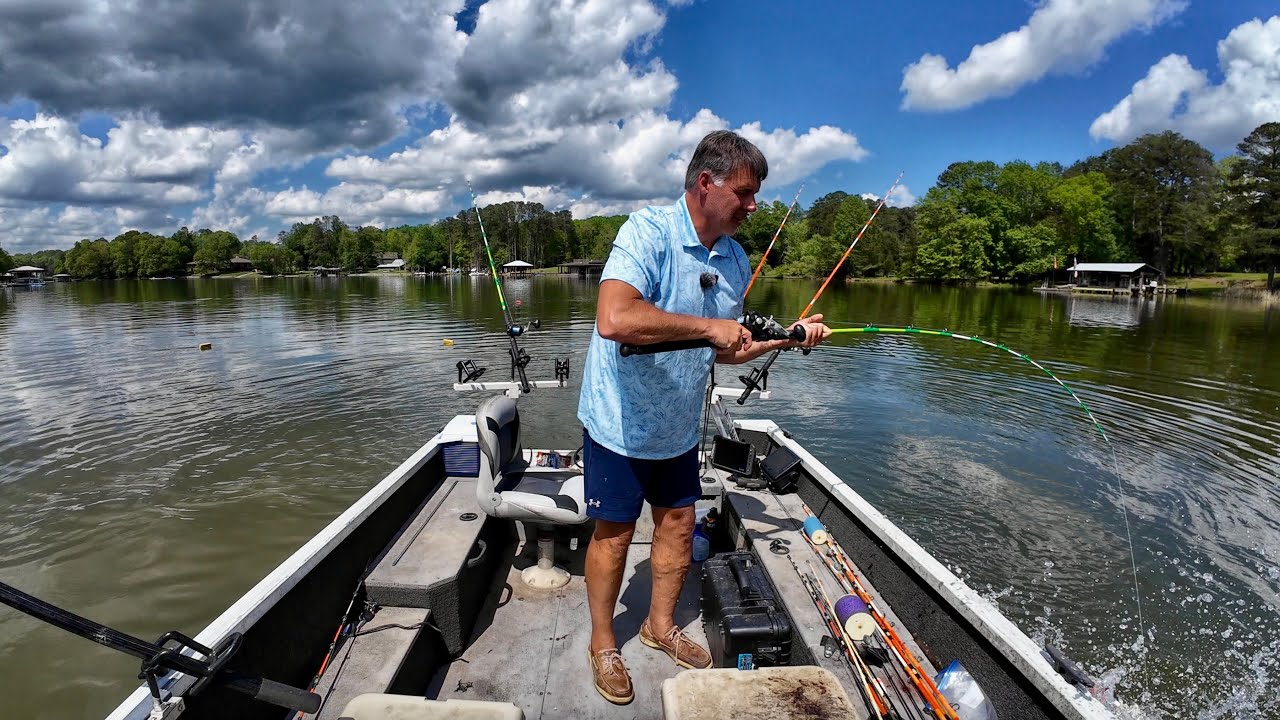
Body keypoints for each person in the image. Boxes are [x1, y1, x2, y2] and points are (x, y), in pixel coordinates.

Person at [577, 130, 830, 704]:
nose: (753, 205)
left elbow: (725, 349)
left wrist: (786, 339)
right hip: (619, 421)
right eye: (744, 192)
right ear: (706, 182)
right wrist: (709, 326)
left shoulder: (735, 258)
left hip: (678, 425)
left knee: (679, 524)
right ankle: (603, 643)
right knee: (615, 534)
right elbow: (614, 318)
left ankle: (659, 626)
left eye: (756, 193)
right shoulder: (648, 232)